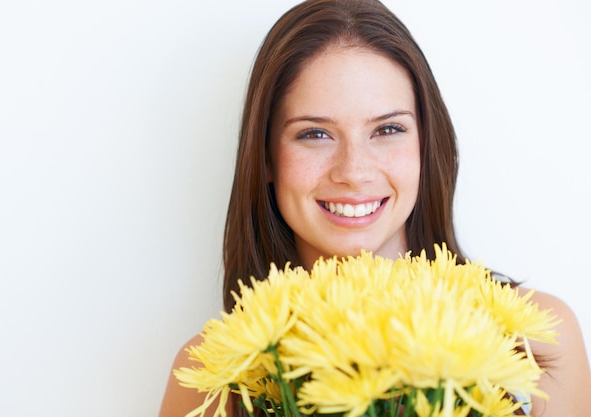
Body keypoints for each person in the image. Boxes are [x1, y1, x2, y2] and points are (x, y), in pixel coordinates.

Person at [159, 0, 591, 416]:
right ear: (267, 158)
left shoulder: (540, 341)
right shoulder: (206, 372)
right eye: (314, 134)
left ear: (426, 145)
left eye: (387, 129)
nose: (354, 171)